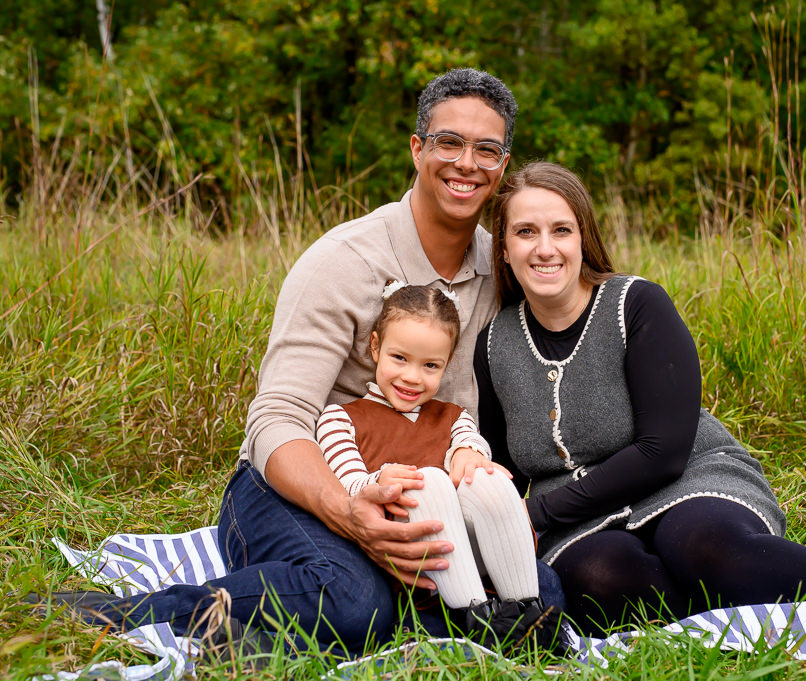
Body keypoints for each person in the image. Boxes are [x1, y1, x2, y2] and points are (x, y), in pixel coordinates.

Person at [32, 69, 564, 653]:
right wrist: (348, 511)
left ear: (502, 166)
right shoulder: (344, 261)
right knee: (354, 602)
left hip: (426, 494)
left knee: (541, 597)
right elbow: (276, 419)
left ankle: (274, 635)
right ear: (418, 149)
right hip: (301, 486)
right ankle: (137, 611)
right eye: (448, 142)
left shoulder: (505, 266)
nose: (466, 163)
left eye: (486, 149)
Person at [474, 161, 806, 636]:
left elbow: (663, 451)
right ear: (503, 248)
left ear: (583, 238)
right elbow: (504, 468)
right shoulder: (494, 344)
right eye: (525, 232)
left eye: (561, 229)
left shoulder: (634, 304)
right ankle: (765, 599)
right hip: (579, 522)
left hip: (685, 479)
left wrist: (535, 513)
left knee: (705, 547)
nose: (545, 248)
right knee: (605, 578)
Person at [315, 282, 561, 648]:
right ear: (375, 347)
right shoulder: (340, 419)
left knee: (486, 477)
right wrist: (378, 481)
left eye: (430, 365)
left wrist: (468, 453)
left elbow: (471, 442)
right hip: (402, 561)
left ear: (447, 364)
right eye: (400, 358)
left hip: (472, 555)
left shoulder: (453, 417)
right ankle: (475, 616)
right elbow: (348, 485)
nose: (413, 377)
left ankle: (525, 612)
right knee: (427, 480)